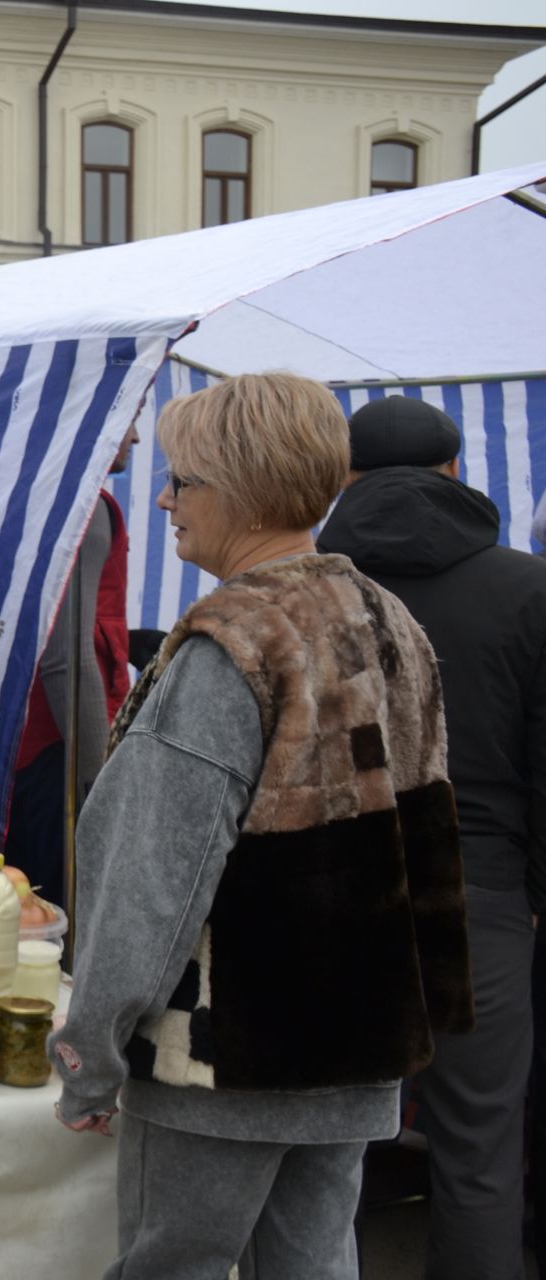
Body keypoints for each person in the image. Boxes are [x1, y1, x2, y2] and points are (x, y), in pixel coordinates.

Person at [49, 373, 472, 1278]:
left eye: (182, 479)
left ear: (239, 486)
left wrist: (91, 1050)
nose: (164, 497)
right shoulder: (389, 620)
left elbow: (153, 875)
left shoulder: (234, 643)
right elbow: (431, 837)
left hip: (230, 1054)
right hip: (360, 1043)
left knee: (174, 1267)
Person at [318, 394, 546, 1280]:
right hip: (481, 894)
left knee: (318, 1143)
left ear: (346, 479)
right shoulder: (528, 588)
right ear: (458, 471)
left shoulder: (314, 588)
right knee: (479, 1151)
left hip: (328, 889)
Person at [4, 423, 137, 898]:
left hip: (23, 742)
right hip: (62, 750)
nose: (136, 437)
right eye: (130, 417)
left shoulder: (27, 495)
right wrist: (99, 781)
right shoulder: (84, 507)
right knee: (61, 925)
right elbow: (66, 660)